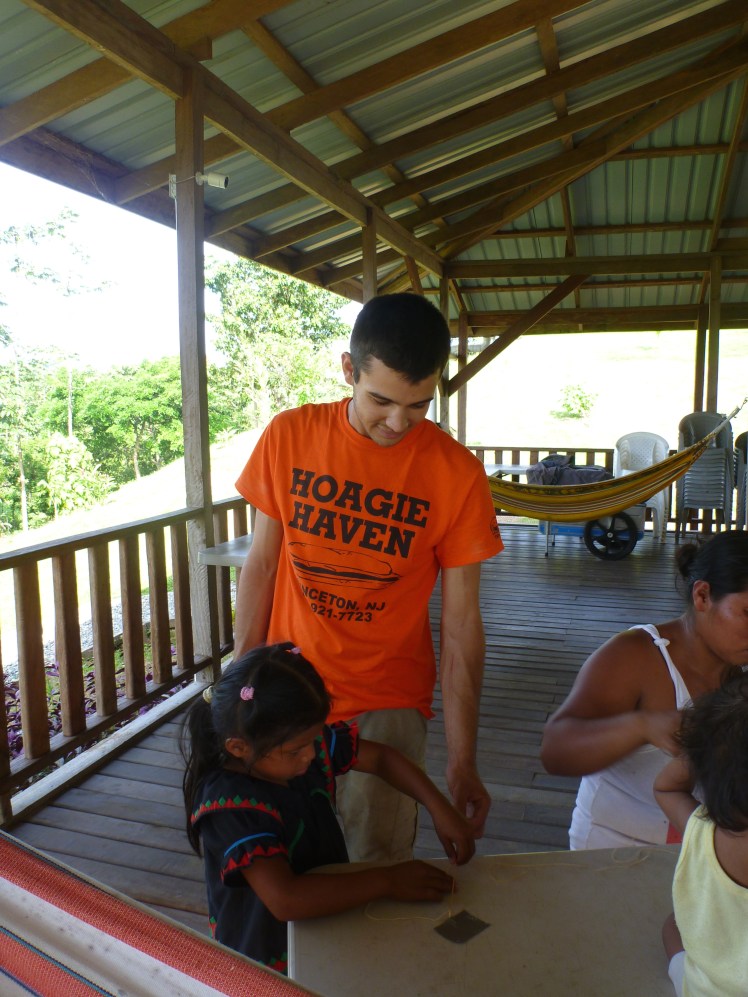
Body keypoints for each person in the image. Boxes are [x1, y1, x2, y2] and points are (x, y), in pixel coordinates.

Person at [233, 292, 503, 862]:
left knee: (375, 867)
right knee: (285, 858)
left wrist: (462, 760)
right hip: (288, 692)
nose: (398, 422)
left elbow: (461, 626)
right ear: (349, 370)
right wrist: (241, 684)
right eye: (381, 400)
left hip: (388, 706)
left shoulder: (456, 474)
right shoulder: (290, 436)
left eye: (419, 404)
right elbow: (260, 567)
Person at [182, 642, 475, 974]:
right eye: (295, 750)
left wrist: (439, 807)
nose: (309, 755)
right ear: (238, 747)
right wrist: (388, 880)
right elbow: (286, 899)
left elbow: (381, 758)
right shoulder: (231, 804)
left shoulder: (295, 751)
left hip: (323, 929)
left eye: (312, 740)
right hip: (268, 961)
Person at [540, 530, 748, 849]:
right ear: (702, 596)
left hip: (703, 855)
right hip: (611, 847)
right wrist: (642, 726)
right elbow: (555, 752)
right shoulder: (635, 656)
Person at [653, 675, 748, 996]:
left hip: (704, 990)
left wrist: (703, 750)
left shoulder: (701, 830)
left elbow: (665, 787)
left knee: (673, 926)